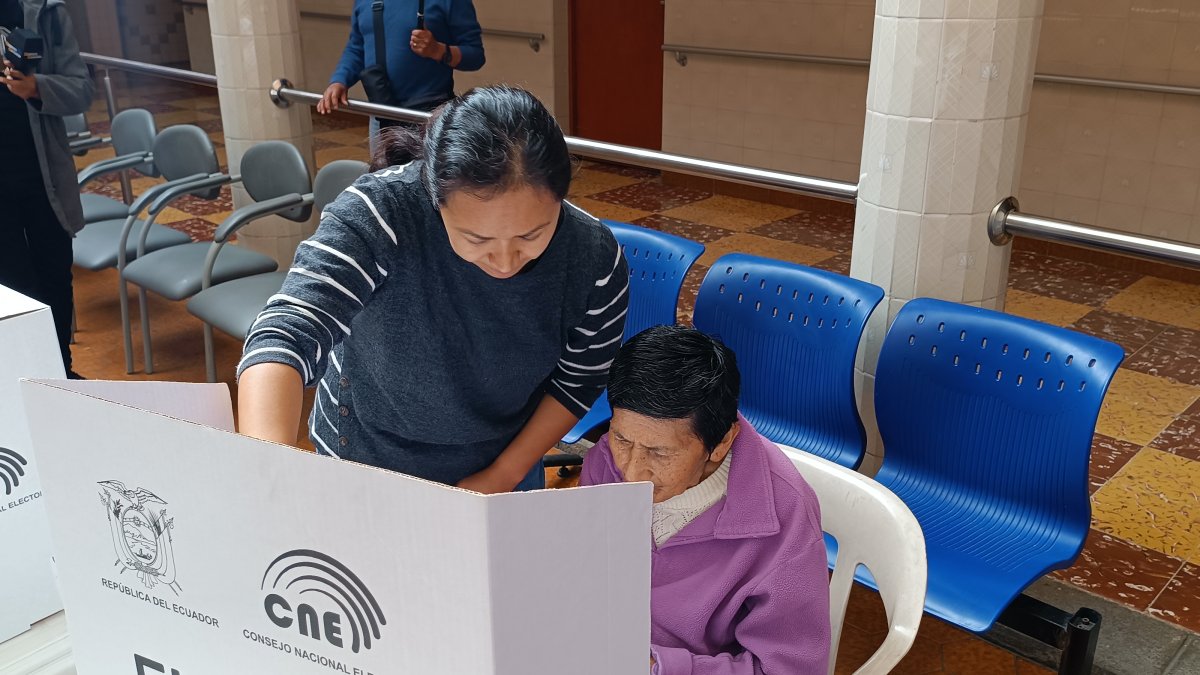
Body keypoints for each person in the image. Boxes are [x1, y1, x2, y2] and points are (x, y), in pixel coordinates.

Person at [238, 86, 629, 494]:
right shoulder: (381, 212)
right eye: (476, 240)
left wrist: (502, 475)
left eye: (532, 235)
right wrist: (268, 473)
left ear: (560, 197)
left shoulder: (594, 258)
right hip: (365, 455)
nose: (505, 261)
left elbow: (578, 380)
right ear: (435, 197)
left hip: (503, 458)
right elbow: (288, 331)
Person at [580, 325, 831, 674]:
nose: (632, 473)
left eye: (660, 453)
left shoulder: (786, 520)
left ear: (722, 443)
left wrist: (660, 667)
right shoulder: (607, 459)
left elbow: (787, 669)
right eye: (622, 440)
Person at [0, 0, 93, 378]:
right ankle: (27, 379)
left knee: (55, 278)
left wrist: (37, 87)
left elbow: (82, 90)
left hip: (44, 178)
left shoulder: (47, 11)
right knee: (14, 287)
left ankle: (61, 376)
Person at [318, 0, 484, 143]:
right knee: (382, 177)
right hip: (380, 113)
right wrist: (340, 80)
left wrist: (438, 50)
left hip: (428, 116)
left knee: (425, 179)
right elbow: (357, 46)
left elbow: (475, 55)